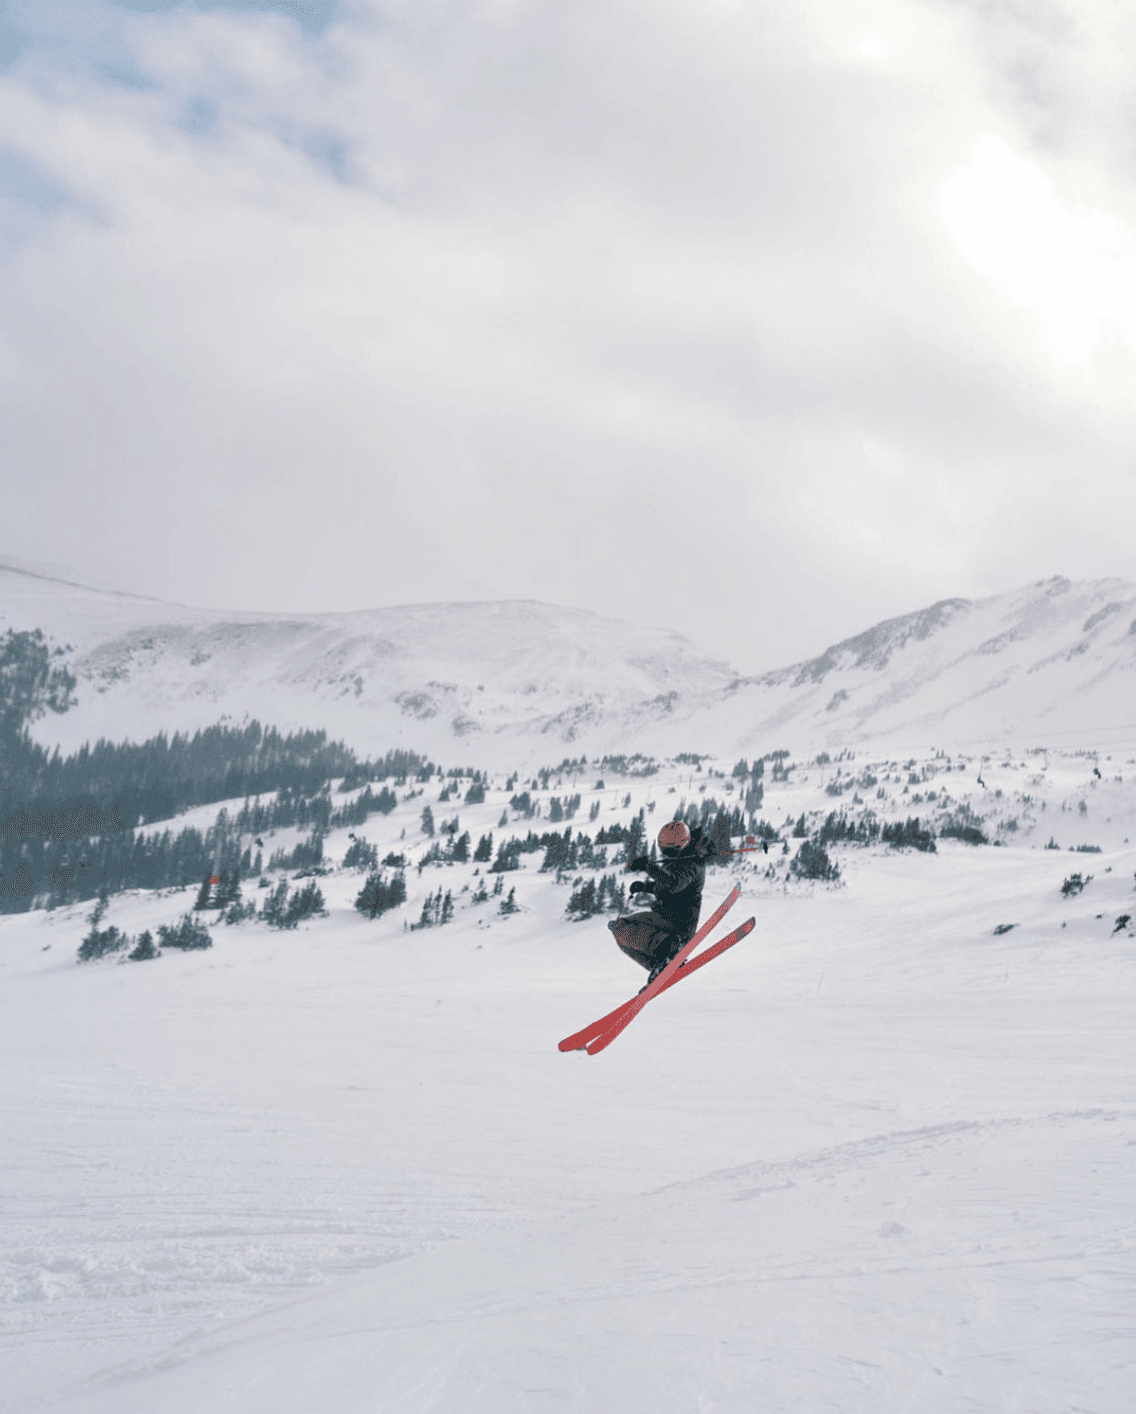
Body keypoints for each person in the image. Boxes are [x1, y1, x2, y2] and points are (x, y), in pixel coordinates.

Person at [608, 820, 716, 984]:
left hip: (678, 924)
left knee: (621, 928)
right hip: (667, 920)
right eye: (664, 849)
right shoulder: (684, 859)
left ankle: (669, 950)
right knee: (619, 931)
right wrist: (645, 887)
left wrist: (648, 867)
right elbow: (670, 887)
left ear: (682, 844)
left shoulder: (692, 862)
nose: (666, 853)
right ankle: (661, 965)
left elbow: (674, 884)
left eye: (670, 849)